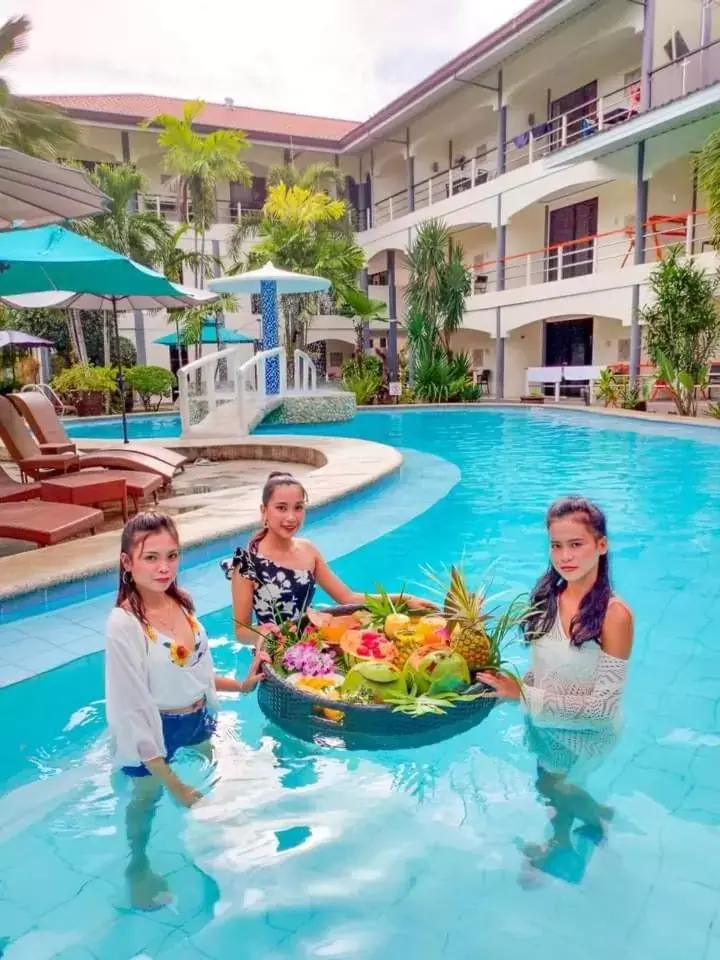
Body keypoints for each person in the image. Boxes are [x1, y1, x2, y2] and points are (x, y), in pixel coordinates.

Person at [105, 511, 268, 910]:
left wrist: (242, 686)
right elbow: (131, 712)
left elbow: (198, 673)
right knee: (146, 801)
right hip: (155, 732)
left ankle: (223, 856)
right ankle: (137, 865)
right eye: (151, 557)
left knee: (217, 792)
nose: (164, 568)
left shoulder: (182, 603)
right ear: (127, 562)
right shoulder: (123, 625)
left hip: (200, 720)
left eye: (172, 556)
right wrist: (173, 782)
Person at [477, 497, 634, 877]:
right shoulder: (547, 596)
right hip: (544, 723)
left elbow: (603, 708)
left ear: (601, 545)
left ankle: (586, 824)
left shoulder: (615, 616)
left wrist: (524, 695)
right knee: (547, 783)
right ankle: (570, 831)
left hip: (585, 736)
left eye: (576, 544)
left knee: (555, 788)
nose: (564, 556)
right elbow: (544, 662)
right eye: (556, 545)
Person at [223, 471, 432, 643]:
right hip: (275, 657)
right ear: (264, 511)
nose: (291, 517)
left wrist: (404, 599)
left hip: (313, 644)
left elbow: (347, 598)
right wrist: (273, 634)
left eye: (298, 507)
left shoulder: (308, 550)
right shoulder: (247, 564)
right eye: (281, 508)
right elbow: (241, 632)